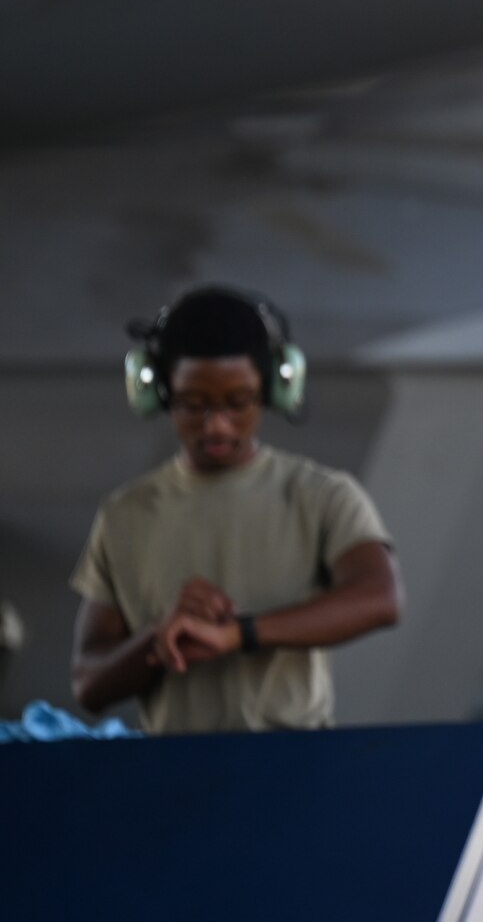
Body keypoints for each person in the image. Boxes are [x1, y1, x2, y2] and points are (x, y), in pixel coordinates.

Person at [70, 285, 401, 733]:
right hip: (173, 778)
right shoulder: (124, 515)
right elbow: (89, 682)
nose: (216, 425)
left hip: (295, 768)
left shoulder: (323, 495)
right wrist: (160, 636)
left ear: (275, 387)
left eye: (237, 402)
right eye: (193, 404)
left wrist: (238, 635)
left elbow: (380, 599)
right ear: (159, 391)